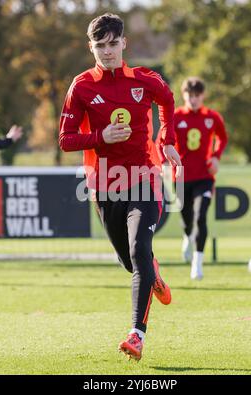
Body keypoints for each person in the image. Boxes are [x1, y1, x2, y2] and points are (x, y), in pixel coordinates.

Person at [59, 13, 181, 361]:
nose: (107, 51)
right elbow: (65, 140)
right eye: (100, 45)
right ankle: (152, 273)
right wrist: (100, 137)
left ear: (124, 43)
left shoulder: (145, 79)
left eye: (113, 44)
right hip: (105, 186)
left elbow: (168, 101)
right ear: (91, 47)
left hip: (144, 178)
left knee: (140, 251)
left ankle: (136, 335)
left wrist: (167, 138)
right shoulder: (81, 86)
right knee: (131, 262)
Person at [157, 77, 228, 280]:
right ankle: (187, 236)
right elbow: (159, 141)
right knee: (187, 219)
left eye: (197, 95)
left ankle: (197, 263)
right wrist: (163, 161)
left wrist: (215, 156)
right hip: (180, 177)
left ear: (203, 96)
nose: (193, 99)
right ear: (184, 95)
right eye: (190, 95)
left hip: (204, 177)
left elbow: (222, 138)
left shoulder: (212, 117)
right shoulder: (175, 116)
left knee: (200, 217)